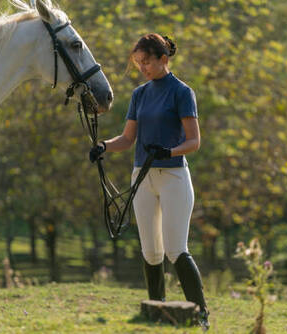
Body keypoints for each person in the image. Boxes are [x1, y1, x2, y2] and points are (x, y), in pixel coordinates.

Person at [89, 33, 210, 330]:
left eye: (146, 62)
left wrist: (169, 150)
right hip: (142, 176)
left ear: (163, 59)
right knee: (150, 251)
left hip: (173, 176)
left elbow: (194, 141)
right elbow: (128, 139)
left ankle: (201, 315)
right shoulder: (139, 94)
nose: (142, 67)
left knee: (175, 248)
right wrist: (103, 145)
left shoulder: (182, 92)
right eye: (138, 63)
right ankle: (158, 313)